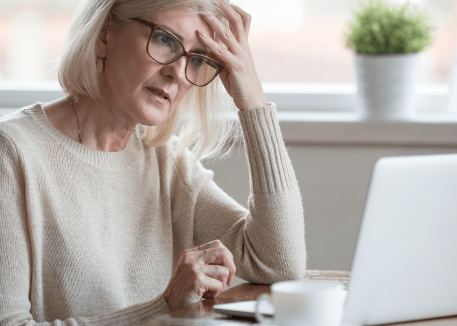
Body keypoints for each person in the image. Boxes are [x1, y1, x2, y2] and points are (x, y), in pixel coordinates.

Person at [0, 0, 306, 325]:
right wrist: (163, 307)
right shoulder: (13, 152)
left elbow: (278, 263)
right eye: (165, 40)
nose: (177, 71)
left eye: (198, 59)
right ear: (105, 35)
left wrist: (253, 100)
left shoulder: (166, 160)